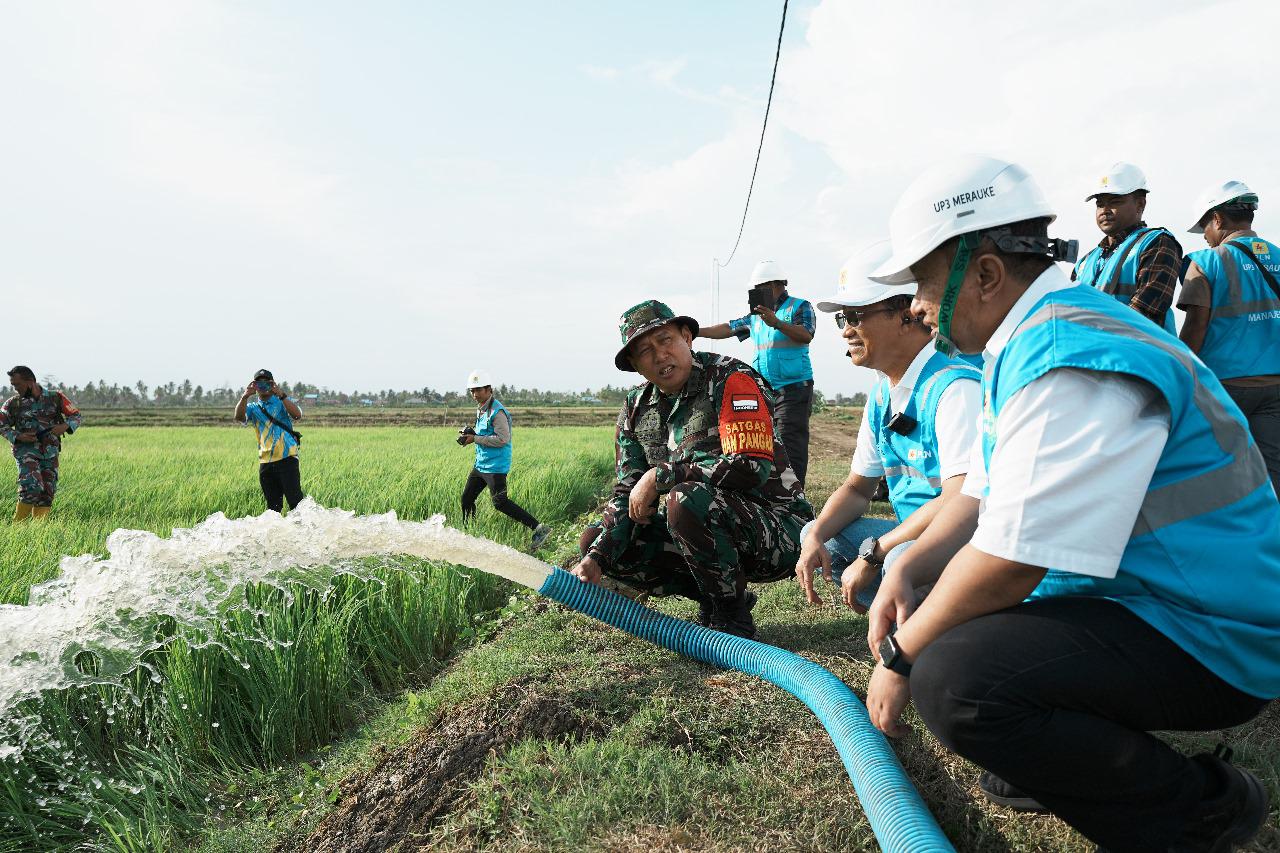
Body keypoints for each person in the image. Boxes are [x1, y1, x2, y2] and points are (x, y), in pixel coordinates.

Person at [860, 155, 1278, 852]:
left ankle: (1203, 810)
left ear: (987, 274)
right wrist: (906, 564)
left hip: (1216, 632)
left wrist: (901, 655)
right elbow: (983, 498)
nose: (915, 308)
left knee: (957, 680)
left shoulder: (1067, 355)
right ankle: (1062, 761)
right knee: (942, 602)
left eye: (924, 285)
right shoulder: (1028, 339)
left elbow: (1010, 561)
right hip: (1160, 600)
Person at [572, 300, 813, 639]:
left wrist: (661, 476)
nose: (659, 356)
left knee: (684, 497)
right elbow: (627, 492)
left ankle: (732, 620)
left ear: (687, 337)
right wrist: (596, 557)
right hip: (704, 528)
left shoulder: (732, 379)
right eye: (645, 351)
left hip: (778, 530)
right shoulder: (636, 407)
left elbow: (751, 467)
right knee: (598, 539)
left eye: (666, 340)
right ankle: (721, 596)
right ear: (636, 366)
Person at [795, 241, 980, 612]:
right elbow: (858, 489)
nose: (846, 331)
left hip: (967, 542)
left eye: (856, 316)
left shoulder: (955, 388)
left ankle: (926, 637)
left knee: (901, 559)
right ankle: (905, 608)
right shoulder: (883, 393)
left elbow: (959, 501)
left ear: (906, 315)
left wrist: (877, 553)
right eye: (842, 319)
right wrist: (815, 533)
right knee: (822, 536)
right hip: (916, 536)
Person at [1178, 180, 1280, 497]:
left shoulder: (1206, 262)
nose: (1206, 238)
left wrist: (1181, 373)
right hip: (1276, 387)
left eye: (1205, 227)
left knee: (1220, 477)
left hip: (1224, 388)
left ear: (1218, 220)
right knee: (1272, 477)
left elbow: (1196, 326)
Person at [698, 260, 816, 487]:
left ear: (772, 285)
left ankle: (796, 495)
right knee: (767, 441)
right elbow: (728, 328)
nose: (755, 294)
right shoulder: (756, 317)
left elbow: (806, 334)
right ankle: (775, 490)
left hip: (793, 389)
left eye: (758, 289)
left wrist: (777, 323)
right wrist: (697, 331)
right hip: (764, 390)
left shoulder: (799, 307)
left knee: (790, 443)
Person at [1072, 162, 1183, 334]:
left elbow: (1145, 312)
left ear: (1140, 204)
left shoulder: (1157, 243)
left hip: (1141, 357)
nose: (1105, 210)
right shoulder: (1084, 263)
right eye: (1100, 204)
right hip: (1093, 356)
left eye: (1115, 201)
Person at [458, 369, 551, 550]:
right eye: (472, 391)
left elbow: (502, 439)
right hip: (481, 464)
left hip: (495, 466)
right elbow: (486, 434)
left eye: (478, 390)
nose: (474, 394)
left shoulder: (497, 411)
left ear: (488, 389)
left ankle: (540, 529)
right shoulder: (482, 409)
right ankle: (470, 536)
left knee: (500, 503)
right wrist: (471, 433)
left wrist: (475, 439)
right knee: (466, 499)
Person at [0, 366, 82, 520]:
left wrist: (64, 426)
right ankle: (17, 528)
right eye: (13, 385)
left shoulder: (55, 397)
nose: (15, 389)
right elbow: (1, 423)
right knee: (32, 487)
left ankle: (38, 531)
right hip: (26, 452)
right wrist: (18, 436)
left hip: (50, 452)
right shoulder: (13, 403)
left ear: (30, 382)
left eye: (17, 384)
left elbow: (76, 416)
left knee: (47, 493)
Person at [234, 368, 305, 514]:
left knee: (296, 504)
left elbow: (297, 415)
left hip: (287, 459)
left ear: (273, 385)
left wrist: (282, 395)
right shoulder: (253, 408)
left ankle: (302, 533)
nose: (263, 387)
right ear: (254, 386)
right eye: (259, 384)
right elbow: (239, 417)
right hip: (266, 463)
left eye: (267, 383)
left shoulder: (281, 403)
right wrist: (244, 397)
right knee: (273, 509)